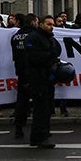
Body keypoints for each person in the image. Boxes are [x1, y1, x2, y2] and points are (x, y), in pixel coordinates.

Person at [24, 15, 62, 148]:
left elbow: (57, 49)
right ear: (40, 24)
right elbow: (34, 57)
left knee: (47, 108)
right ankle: (40, 137)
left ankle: (42, 135)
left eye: (53, 24)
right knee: (41, 109)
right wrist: (50, 55)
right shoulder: (33, 38)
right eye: (49, 24)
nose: (52, 27)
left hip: (48, 78)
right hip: (37, 78)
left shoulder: (50, 38)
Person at [11, 14, 38, 139]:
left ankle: (18, 127)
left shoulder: (15, 36)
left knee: (21, 101)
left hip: (21, 72)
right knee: (39, 100)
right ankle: (38, 128)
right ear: (33, 22)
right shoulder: (36, 35)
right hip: (34, 71)